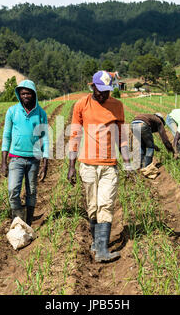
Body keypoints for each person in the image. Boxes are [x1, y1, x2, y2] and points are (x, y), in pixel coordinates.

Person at [67, 70, 132, 263]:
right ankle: (96, 243)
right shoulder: (82, 104)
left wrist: (127, 163)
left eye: (107, 91)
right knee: (92, 206)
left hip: (109, 165)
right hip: (87, 164)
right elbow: (75, 135)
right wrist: (71, 165)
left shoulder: (117, 106)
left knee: (106, 204)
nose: (103, 94)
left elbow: (122, 137)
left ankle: (102, 249)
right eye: (100, 90)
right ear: (92, 86)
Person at [1, 80, 49, 226]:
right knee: (12, 190)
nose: (25, 96)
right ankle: (18, 218)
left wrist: (46, 162)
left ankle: (27, 223)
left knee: (31, 191)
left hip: (34, 159)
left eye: (28, 93)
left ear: (34, 94)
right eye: (23, 93)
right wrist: (3, 161)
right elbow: (6, 135)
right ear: (19, 95)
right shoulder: (12, 111)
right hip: (16, 158)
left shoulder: (41, 113)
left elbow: (45, 138)